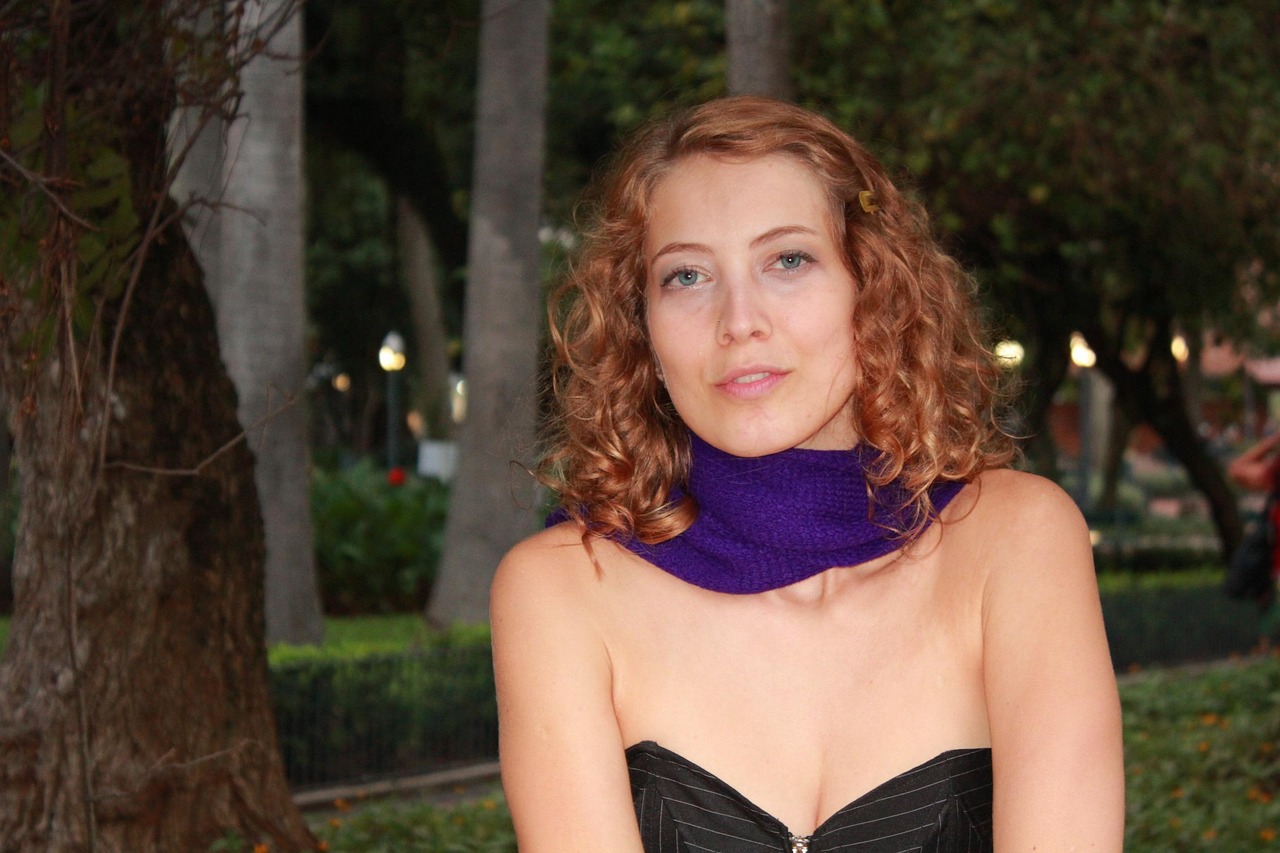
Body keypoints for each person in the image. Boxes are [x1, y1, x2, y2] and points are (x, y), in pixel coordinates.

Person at [491, 97, 1125, 851]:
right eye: (687, 276)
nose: (739, 321)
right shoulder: (564, 588)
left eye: (787, 261)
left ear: (874, 285)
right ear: (642, 327)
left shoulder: (1014, 541)